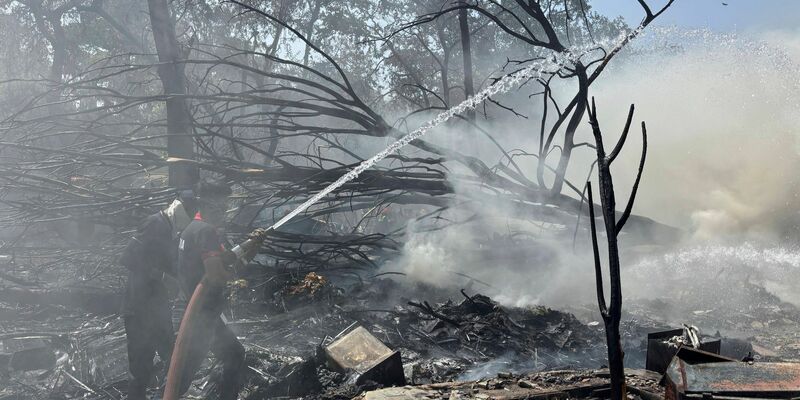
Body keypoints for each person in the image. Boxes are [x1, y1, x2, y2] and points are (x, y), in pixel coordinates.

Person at [172, 181, 265, 400]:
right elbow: (216, 274)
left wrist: (253, 246)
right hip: (200, 316)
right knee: (183, 376)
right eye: (220, 207)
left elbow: (229, 263)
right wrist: (232, 277)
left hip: (201, 313)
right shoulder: (205, 231)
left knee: (231, 355)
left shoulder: (193, 228)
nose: (224, 211)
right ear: (208, 205)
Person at [119, 191, 196, 400]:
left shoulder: (172, 231)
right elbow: (128, 258)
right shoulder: (155, 224)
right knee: (140, 368)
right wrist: (162, 276)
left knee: (172, 359)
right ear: (179, 208)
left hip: (157, 309)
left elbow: (170, 266)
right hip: (139, 309)